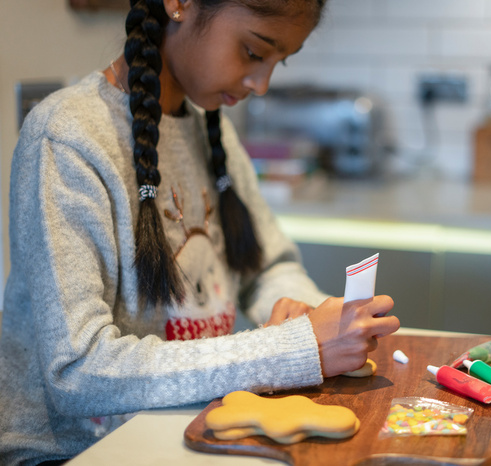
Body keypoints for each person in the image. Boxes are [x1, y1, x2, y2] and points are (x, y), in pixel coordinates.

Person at [0, 0, 400, 464]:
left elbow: (268, 266)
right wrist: (289, 349)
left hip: (181, 434)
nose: (262, 84)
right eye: (254, 52)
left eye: (278, 62)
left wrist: (295, 308)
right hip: (75, 453)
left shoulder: (214, 132)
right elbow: (77, 371)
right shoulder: (68, 138)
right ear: (178, 4)